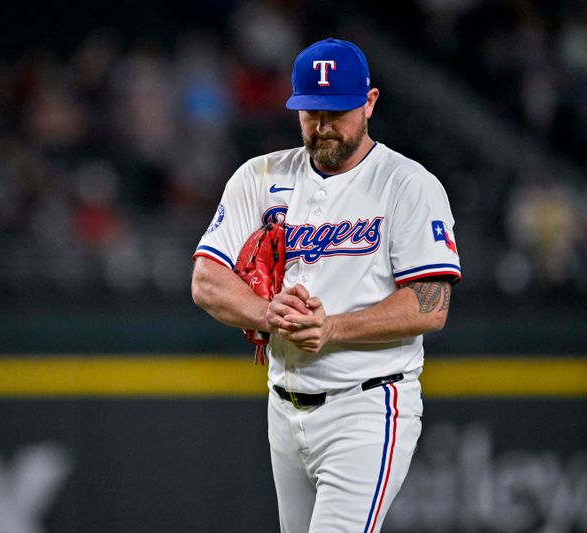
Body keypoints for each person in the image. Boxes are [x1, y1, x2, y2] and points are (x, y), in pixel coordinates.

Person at [191, 38, 462, 533]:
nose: (323, 126)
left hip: (368, 405)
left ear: (370, 103)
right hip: (284, 407)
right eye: (311, 112)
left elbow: (433, 302)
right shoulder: (260, 176)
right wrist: (264, 312)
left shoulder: (407, 184)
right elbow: (207, 280)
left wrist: (331, 327)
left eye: (338, 111)